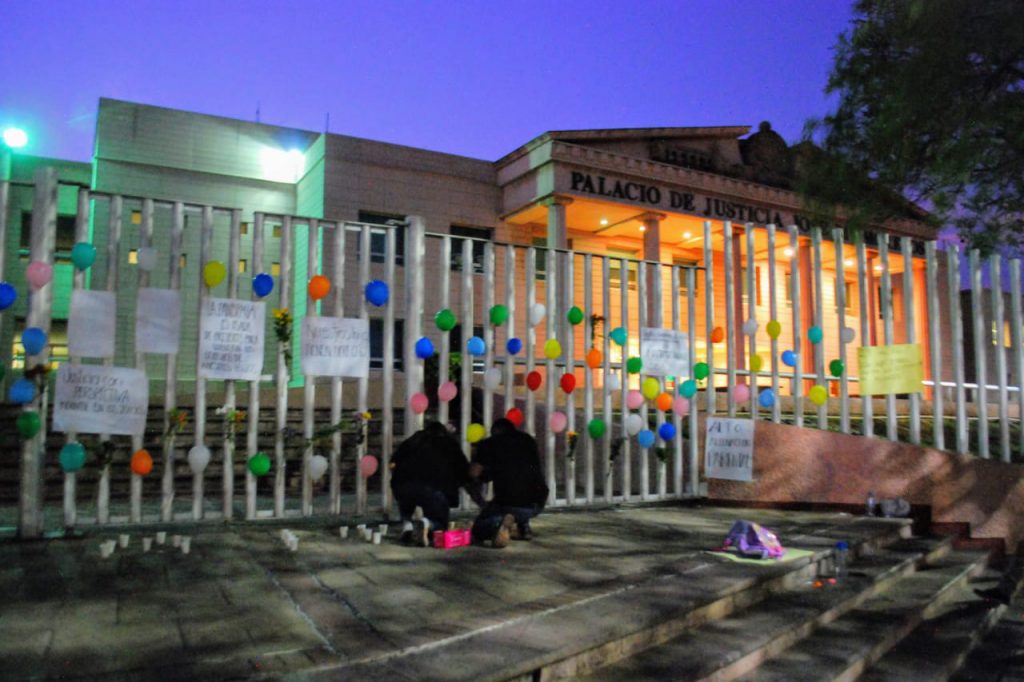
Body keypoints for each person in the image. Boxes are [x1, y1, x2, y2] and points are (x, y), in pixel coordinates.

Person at [469, 418, 549, 548]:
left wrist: (477, 459)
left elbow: (474, 473)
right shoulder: (528, 440)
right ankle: (523, 529)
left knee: (478, 529)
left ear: (495, 431)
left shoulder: (490, 443)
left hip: (508, 503)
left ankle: (499, 522)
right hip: (537, 502)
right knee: (521, 486)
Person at [390, 421, 468, 546]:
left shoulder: (413, 441)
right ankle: (428, 524)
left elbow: (393, 463)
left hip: (403, 487)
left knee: (407, 491)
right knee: (440, 525)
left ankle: (407, 523)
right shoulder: (450, 444)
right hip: (434, 490)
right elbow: (464, 472)